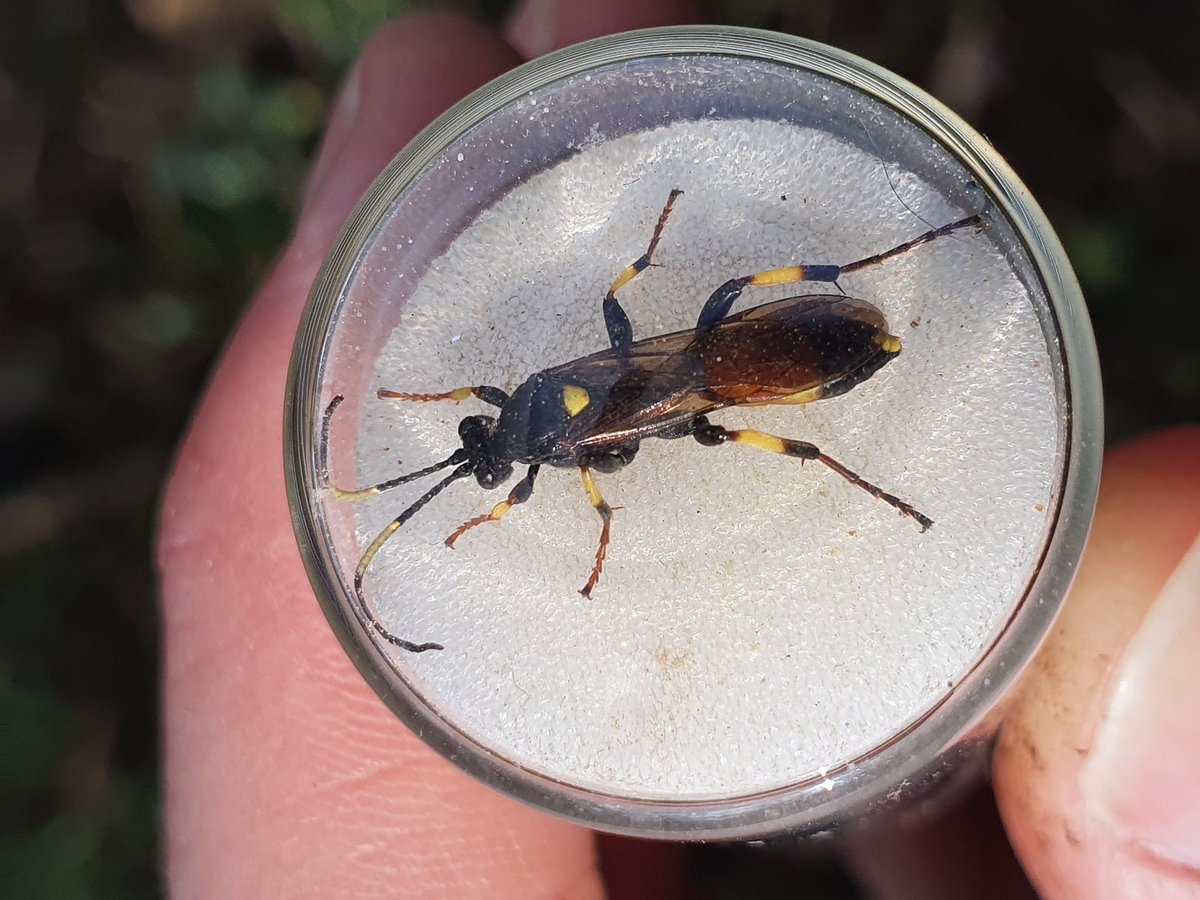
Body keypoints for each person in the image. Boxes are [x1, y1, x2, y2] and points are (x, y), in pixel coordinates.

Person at [157, 3, 1200, 895]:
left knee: (726, 372)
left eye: (476, 444)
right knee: (723, 345)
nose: (480, 441)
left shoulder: (543, 443)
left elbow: (592, 470)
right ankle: (868, 370)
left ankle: (891, 287)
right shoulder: (535, 405)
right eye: (477, 450)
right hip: (720, 360)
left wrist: (520, 507)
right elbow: (612, 324)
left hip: (727, 365)